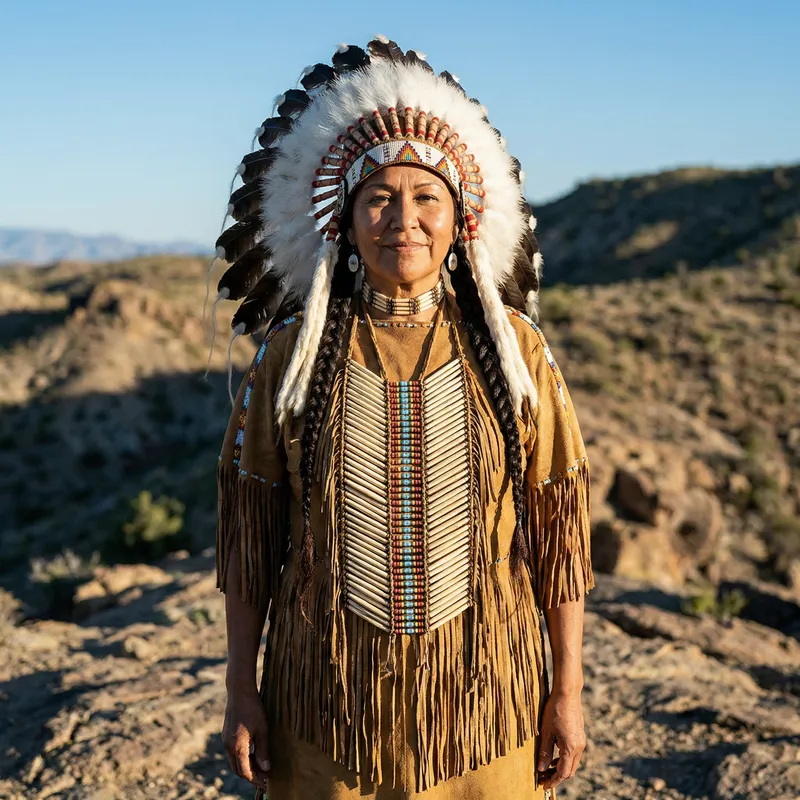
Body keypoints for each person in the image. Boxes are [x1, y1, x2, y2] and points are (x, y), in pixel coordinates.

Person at [213, 37, 594, 800]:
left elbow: (557, 527)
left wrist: (567, 692)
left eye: (427, 197)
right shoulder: (292, 355)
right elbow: (254, 533)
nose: (403, 219)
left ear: (460, 220)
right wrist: (242, 690)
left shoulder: (513, 352)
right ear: (346, 220)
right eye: (379, 197)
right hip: (324, 711)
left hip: (488, 709)